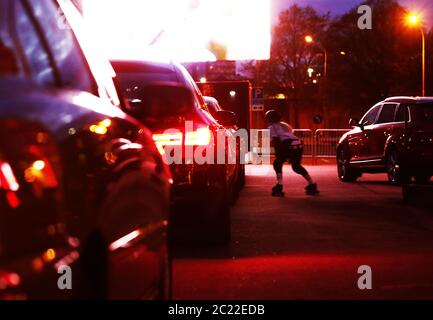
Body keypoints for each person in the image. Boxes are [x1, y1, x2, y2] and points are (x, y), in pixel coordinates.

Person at [265, 110, 319, 197]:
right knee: (296, 166)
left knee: (277, 163)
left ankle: (279, 185)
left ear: (270, 119)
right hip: (298, 144)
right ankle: (312, 184)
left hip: (288, 145)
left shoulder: (271, 127)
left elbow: (276, 140)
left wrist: (279, 154)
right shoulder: (285, 125)